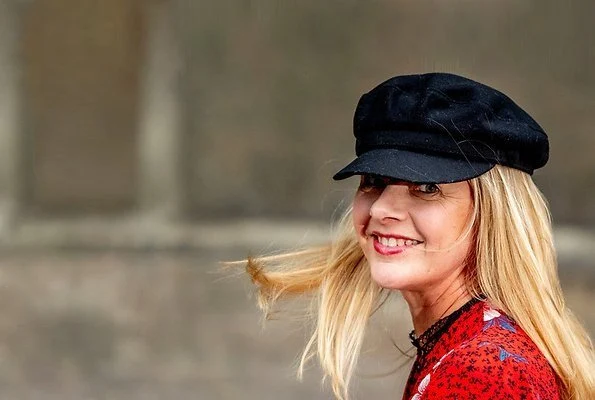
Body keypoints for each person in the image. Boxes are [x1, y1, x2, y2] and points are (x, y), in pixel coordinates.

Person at [242, 73, 595, 399]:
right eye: (373, 181)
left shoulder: (484, 373)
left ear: (491, 214)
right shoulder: (469, 345)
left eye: (427, 188)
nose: (381, 209)